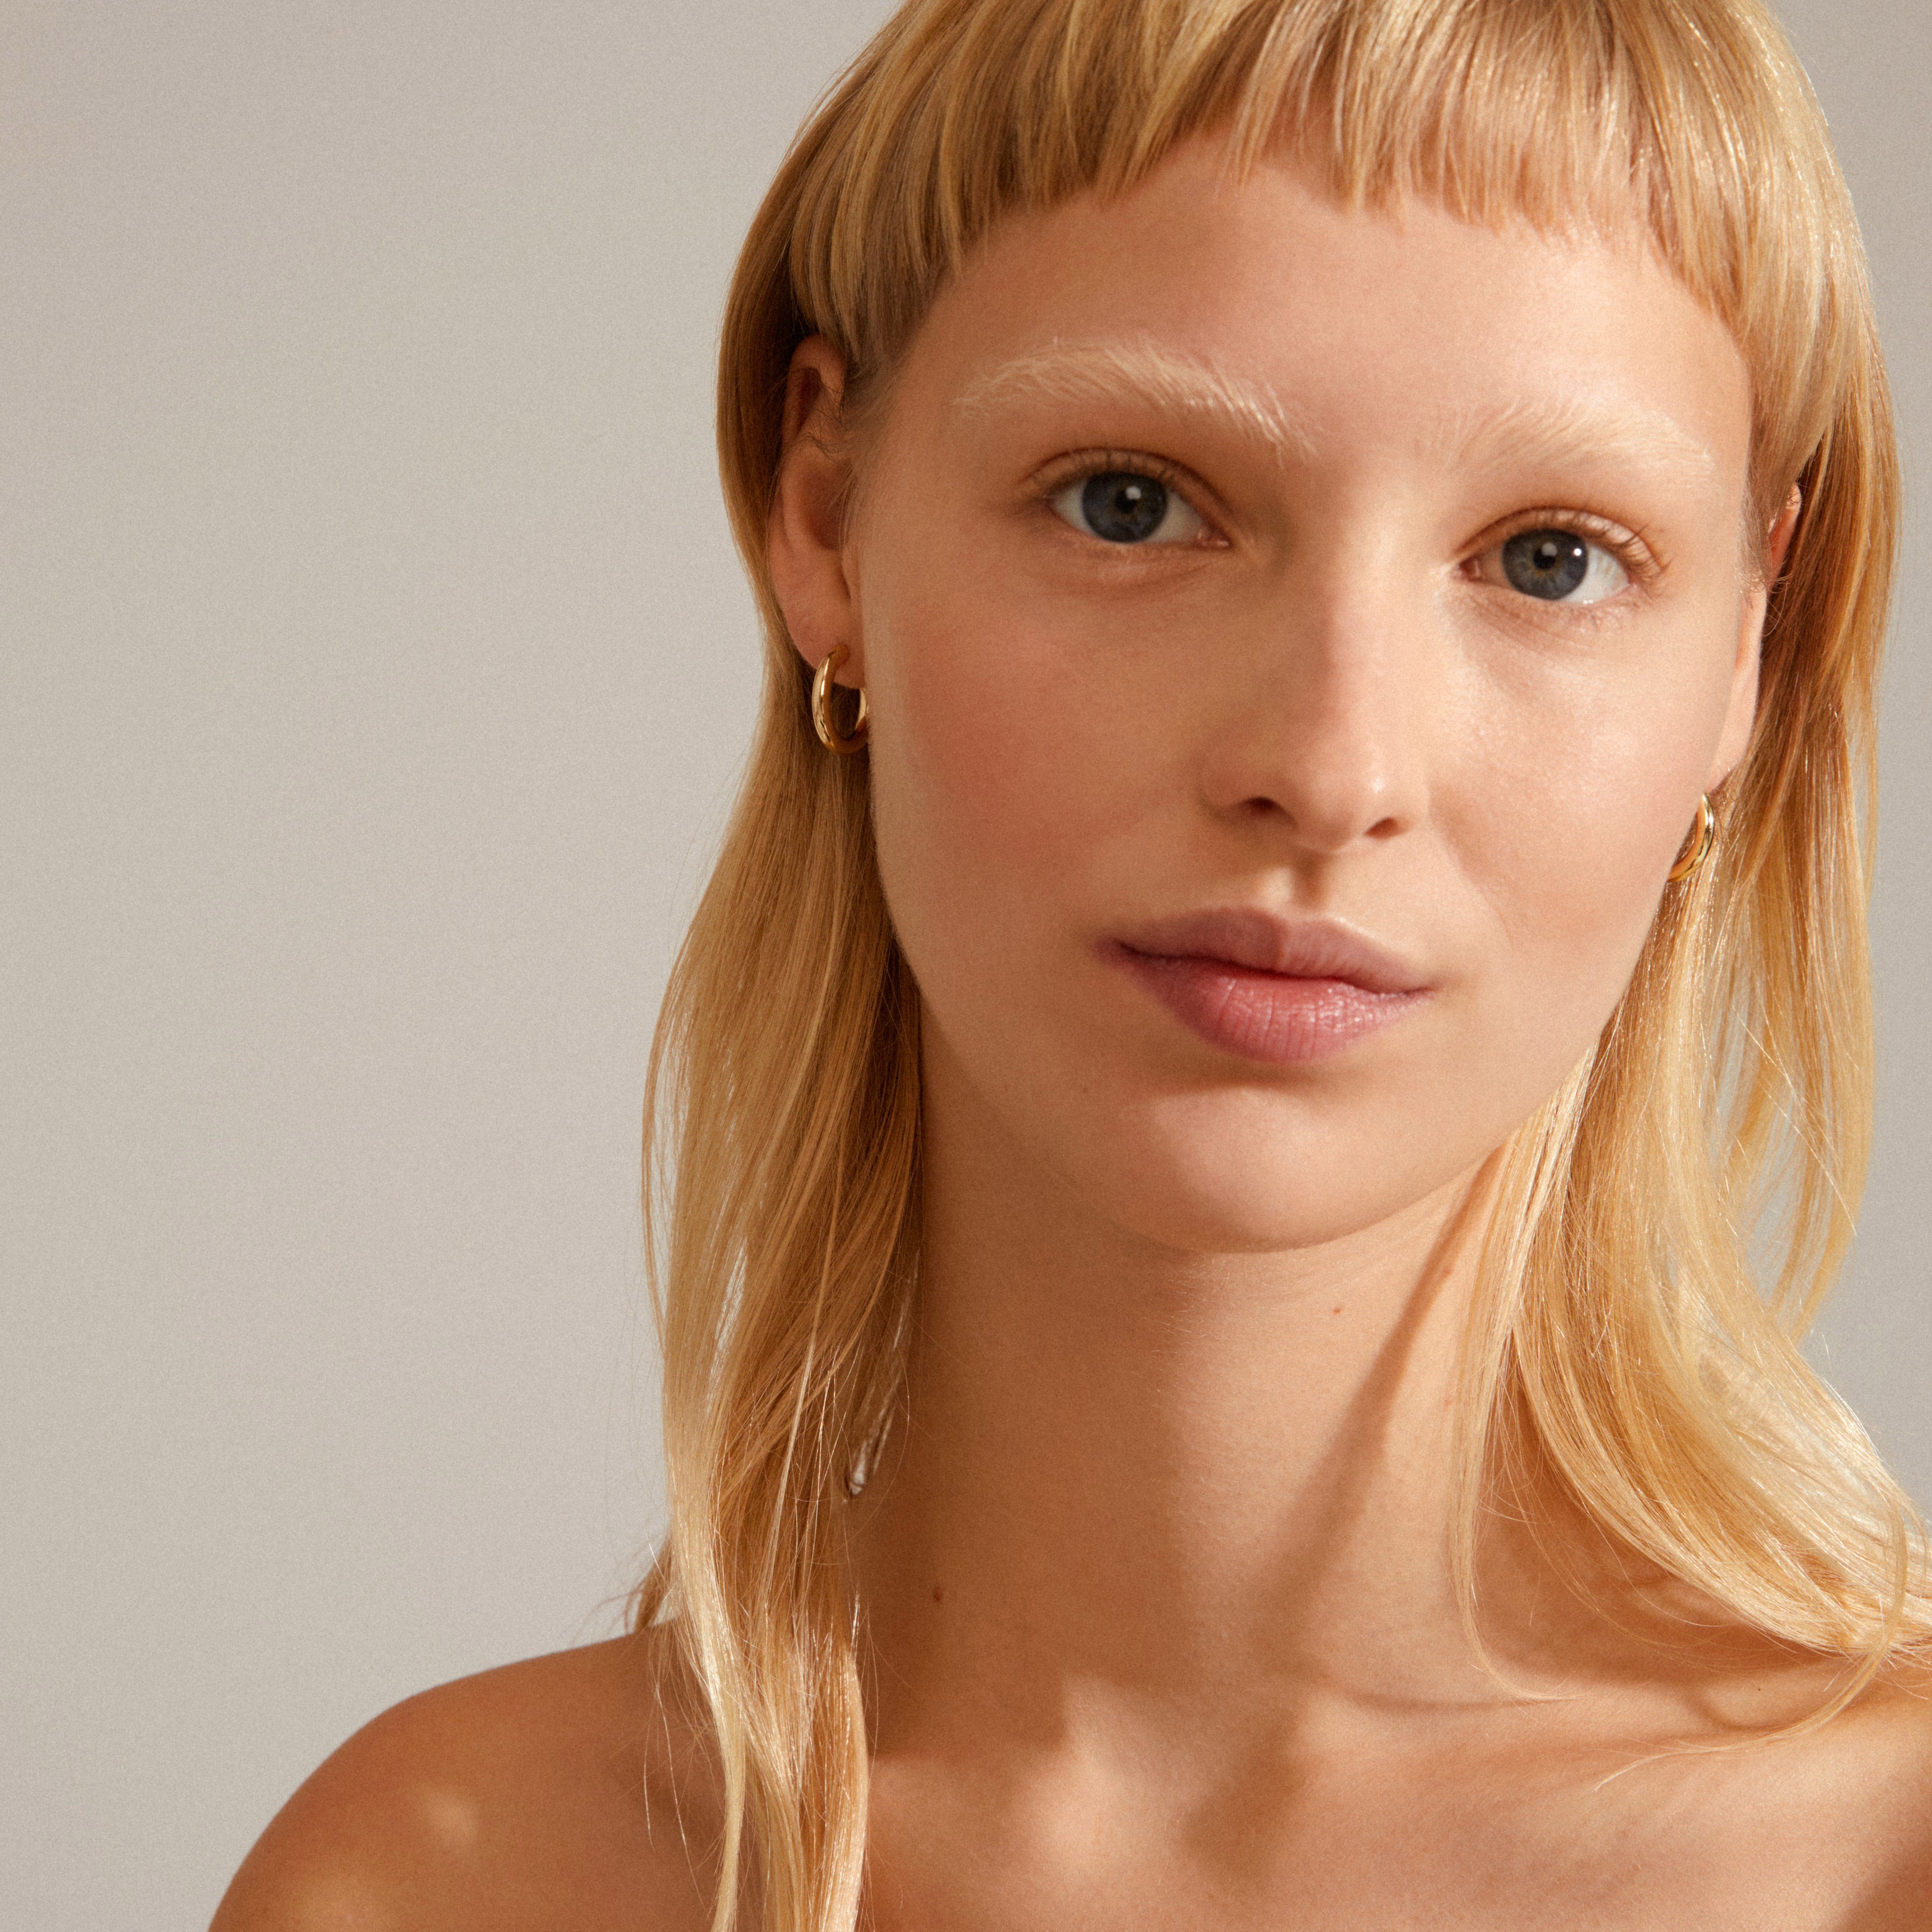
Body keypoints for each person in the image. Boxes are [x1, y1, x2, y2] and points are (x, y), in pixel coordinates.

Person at [211, 0, 1932, 1926]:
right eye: (1134, 504)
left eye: (1551, 559)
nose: (1331, 766)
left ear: (1747, 647)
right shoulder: (443, 1883)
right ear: (823, 511)